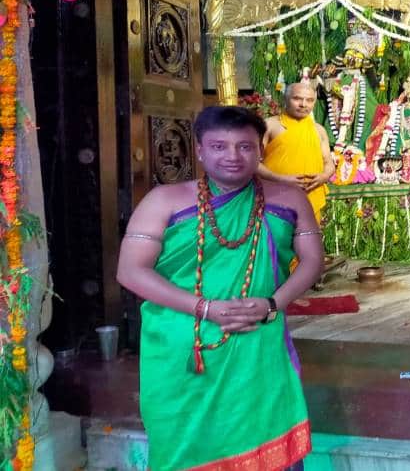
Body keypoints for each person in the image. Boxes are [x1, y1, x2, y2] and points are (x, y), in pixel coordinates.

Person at [117, 106, 324, 471]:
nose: (232, 156)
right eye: (218, 146)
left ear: (260, 150)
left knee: (264, 433)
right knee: (183, 444)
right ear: (198, 150)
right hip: (183, 347)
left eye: (245, 147)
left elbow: (311, 262)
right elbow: (131, 271)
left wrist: (272, 304)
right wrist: (204, 308)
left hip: (257, 341)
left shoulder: (289, 200)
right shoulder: (163, 201)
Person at [259, 82, 336, 224]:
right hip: (276, 196)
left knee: (307, 242)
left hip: (310, 195)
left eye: (309, 100)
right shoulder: (269, 125)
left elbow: (329, 164)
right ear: (285, 99)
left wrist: (323, 176)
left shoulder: (319, 130)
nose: (303, 104)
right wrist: (280, 179)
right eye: (297, 98)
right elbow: (252, 163)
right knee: (275, 243)